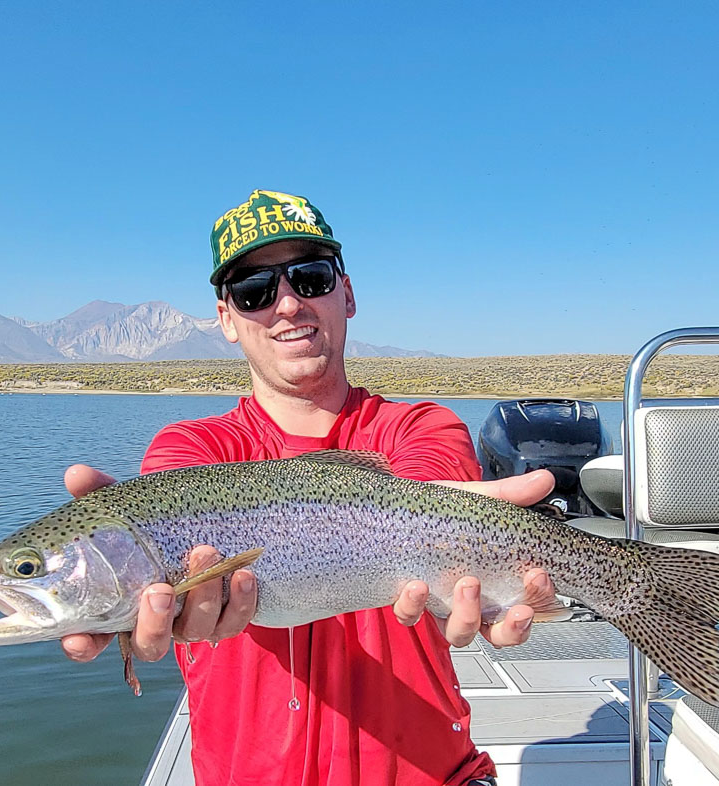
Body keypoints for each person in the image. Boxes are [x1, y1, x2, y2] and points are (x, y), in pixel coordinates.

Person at [59, 190, 556, 786]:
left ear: (346, 293)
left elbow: (424, 492)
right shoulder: (190, 453)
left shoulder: (424, 427)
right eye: (254, 291)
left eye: (310, 277)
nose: (288, 304)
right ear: (225, 318)